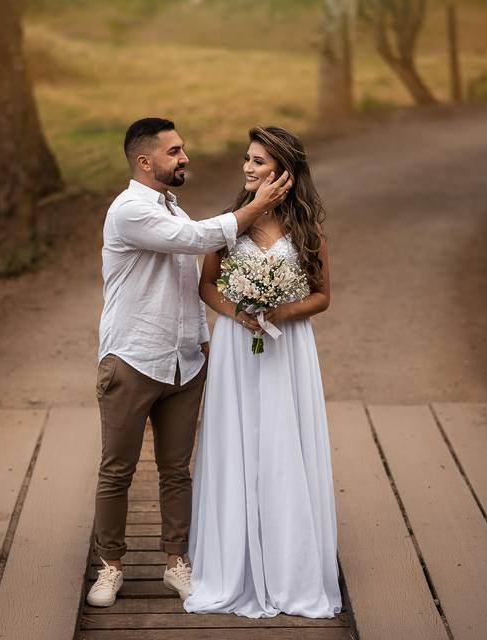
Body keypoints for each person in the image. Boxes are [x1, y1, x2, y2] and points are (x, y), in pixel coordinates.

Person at [86, 117, 293, 608]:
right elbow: (199, 241)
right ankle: (109, 567)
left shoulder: (170, 207)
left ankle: (176, 562)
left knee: (177, 470)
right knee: (117, 470)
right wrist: (256, 207)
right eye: (174, 151)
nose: (184, 158)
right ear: (145, 161)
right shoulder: (130, 211)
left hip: (183, 362)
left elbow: (185, 281)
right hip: (133, 358)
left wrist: (202, 339)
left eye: (182, 150)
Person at [184, 126, 342, 618]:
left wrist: (279, 312)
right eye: (247, 160)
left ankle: (290, 564)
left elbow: (322, 296)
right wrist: (240, 312)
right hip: (237, 342)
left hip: (287, 347)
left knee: (282, 441)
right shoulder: (228, 226)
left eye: (258, 161)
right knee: (238, 440)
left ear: (283, 172)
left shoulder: (306, 232)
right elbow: (206, 285)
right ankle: (235, 564)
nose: (248, 168)